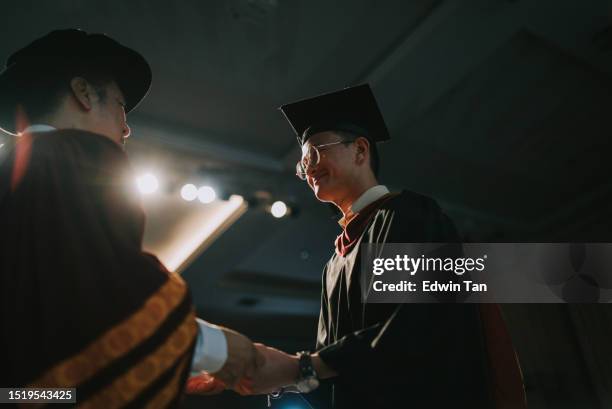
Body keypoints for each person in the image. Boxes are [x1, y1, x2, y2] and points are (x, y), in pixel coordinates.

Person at [213, 84, 526, 408]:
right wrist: (274, 375)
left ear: (361, 151)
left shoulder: (406, 216)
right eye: (304, 164)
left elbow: (422, 325)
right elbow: (334, 369)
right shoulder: (335, 263)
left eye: (317, 152)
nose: (309, 170)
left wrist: (302, 367)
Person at [0, 29, 261, 407]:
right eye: (121, 104)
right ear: (84, 93)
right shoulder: (75, 156)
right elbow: (105, 292)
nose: (126, 127)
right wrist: (217, 350)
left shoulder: (11, 170)